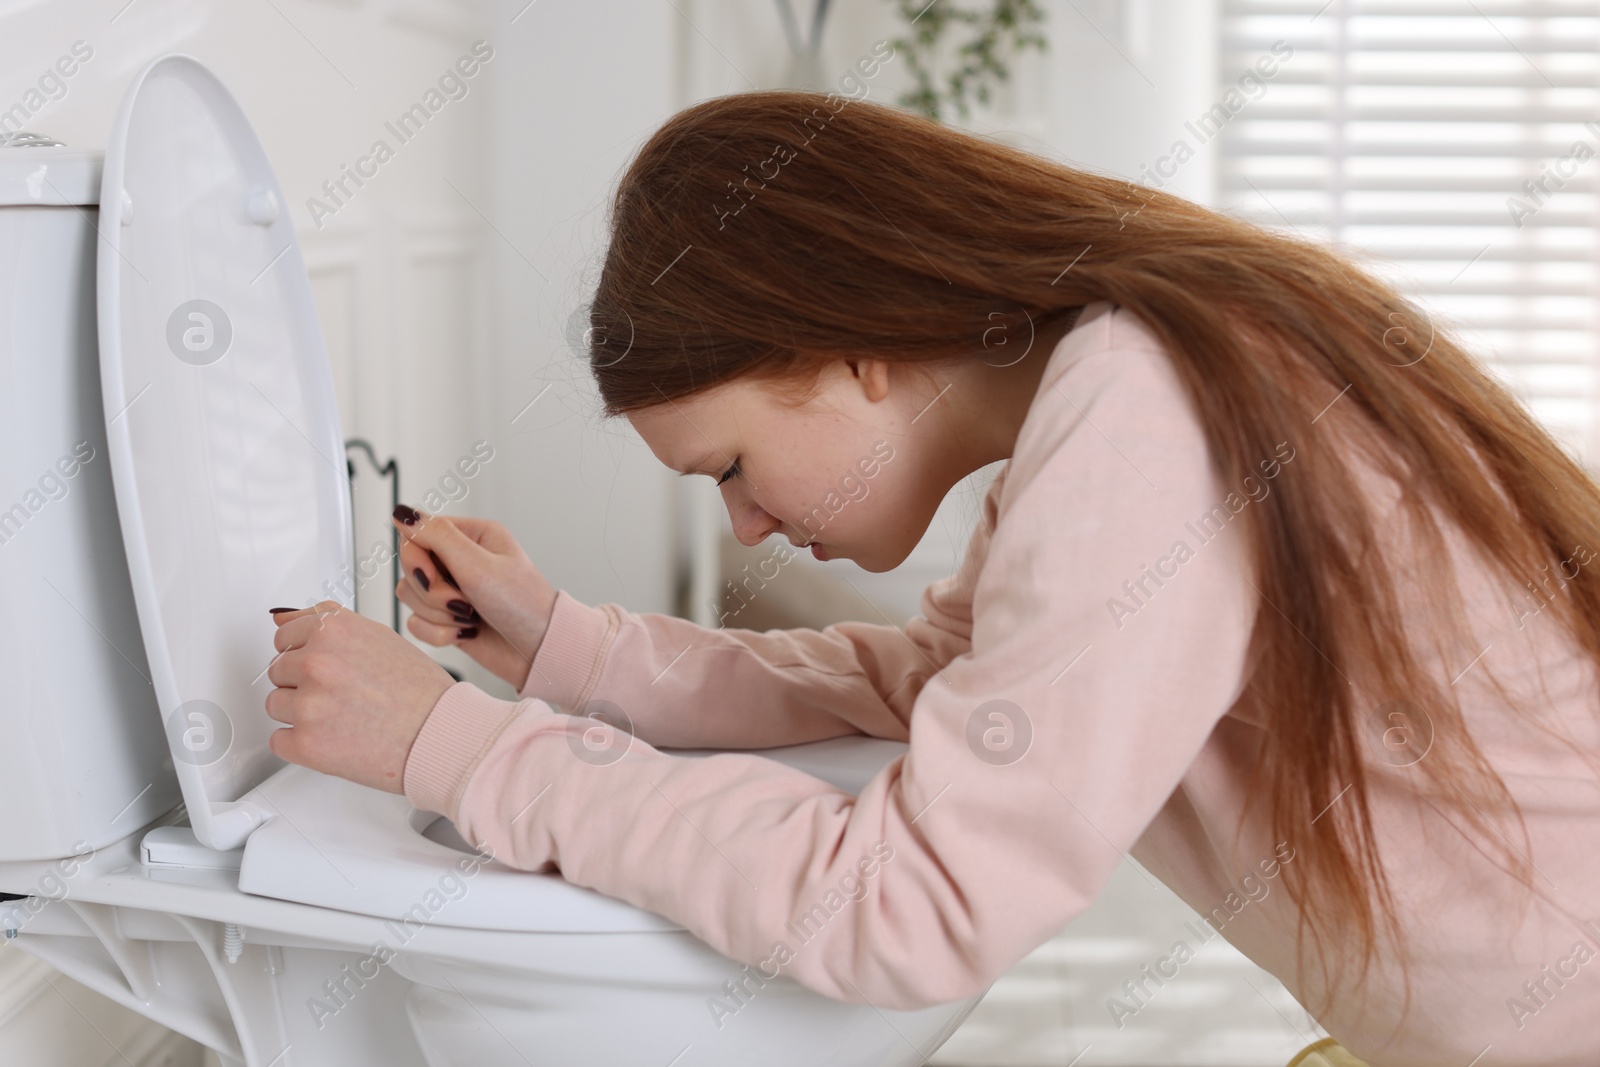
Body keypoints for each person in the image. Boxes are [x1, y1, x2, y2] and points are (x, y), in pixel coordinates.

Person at [264, 91, 1600, 1065]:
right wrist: (571, 650)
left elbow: (905, 909)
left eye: (729, 464)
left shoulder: (1148, 415)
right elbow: (941, 683)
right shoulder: (1123, 378)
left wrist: (459, 749)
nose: (742, 526)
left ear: (851, 350)